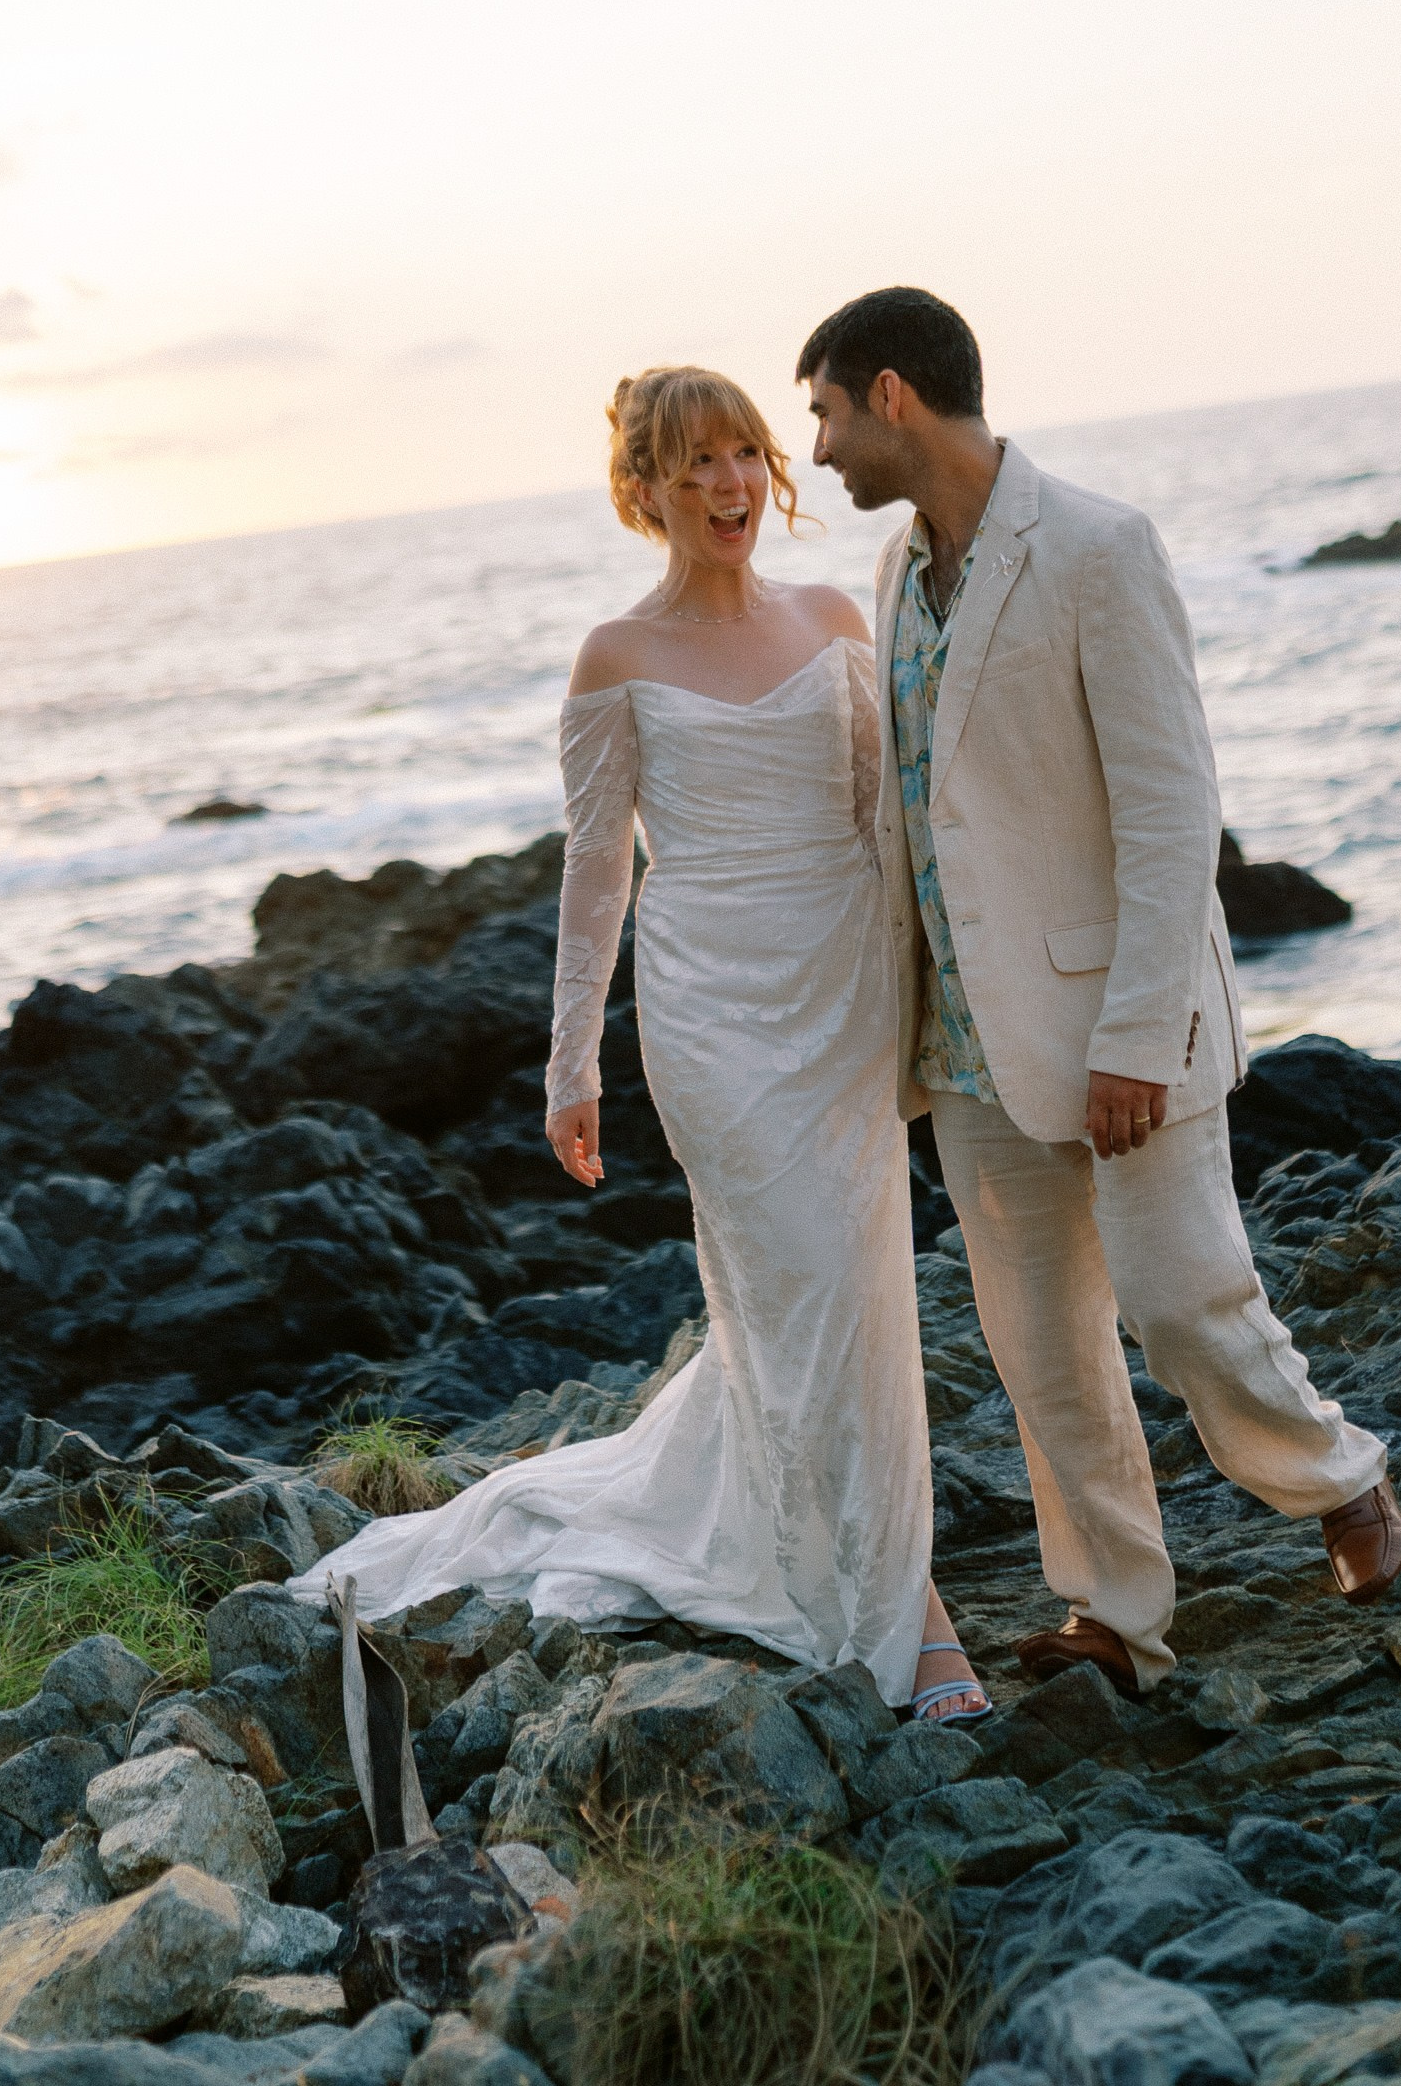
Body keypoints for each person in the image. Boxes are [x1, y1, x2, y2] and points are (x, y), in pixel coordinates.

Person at [294, 365, 989, 1722]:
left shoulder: (837, 616)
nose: (727, 484)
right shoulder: (617, 657)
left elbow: (882, 829)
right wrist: (573, 1065)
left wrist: (932, 1013)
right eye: (693, 467)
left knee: (854, 1294)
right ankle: (912, 1614)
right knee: (795, 1285)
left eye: (743, 453)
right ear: (646, 492)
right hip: (710, 1018)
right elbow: (595, 872)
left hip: (839, 1000)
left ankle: (870, 1569)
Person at [797, 287, 1401, 1696]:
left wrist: (1141, 1031)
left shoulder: (1096, 547)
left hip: (1117, 1022)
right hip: (963, 1039)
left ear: (892, 395)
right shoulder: (895, 578)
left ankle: (1341, 1481)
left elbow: (1171, 809)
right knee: (1043, 1353)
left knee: (1187, 1297)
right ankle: (1116, 1614)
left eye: (826, 412)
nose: (818, 449)